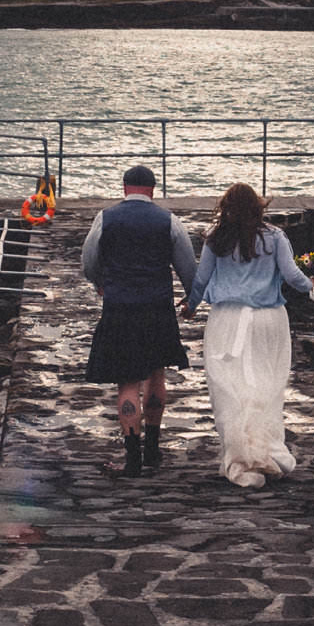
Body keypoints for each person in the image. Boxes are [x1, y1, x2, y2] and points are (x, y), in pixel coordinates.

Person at [181, 183, 314, 488]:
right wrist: (313, 287)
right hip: (269, 320)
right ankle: (266, 451)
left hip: (227, 320)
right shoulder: (275, 237)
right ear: (258, 206)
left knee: (230, 389)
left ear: (226, 207)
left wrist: (190, 306)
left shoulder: (216, 239)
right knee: (266, 386)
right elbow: (292, 275)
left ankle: (242, 457)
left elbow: (201, 279)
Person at [81, 164, 198, 477]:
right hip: (157, 308)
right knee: (156, 374)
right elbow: (188, 267)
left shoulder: (105, 218)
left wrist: (100, 283)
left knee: (127, 381)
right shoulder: (169, 221)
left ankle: (132, 460)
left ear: (124, 188)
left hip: (119, 307)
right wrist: (191, 299)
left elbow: (88, 261)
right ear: (152, 190)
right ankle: (153, 452)